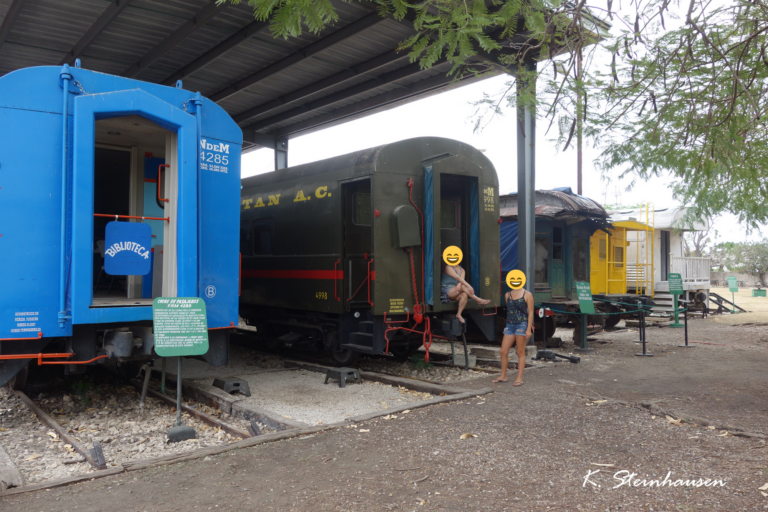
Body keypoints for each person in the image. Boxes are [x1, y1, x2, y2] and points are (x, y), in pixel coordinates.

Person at [492, 286, 534, 386]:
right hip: (510, 325)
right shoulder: (508, 295)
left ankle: (519, 378)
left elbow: (531, 312)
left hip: (522, 324)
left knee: (520, 352)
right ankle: (503, 376)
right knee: (503, 351)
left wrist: (528, 329)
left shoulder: (527, 294)